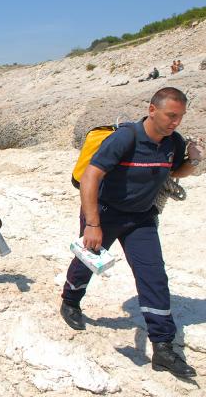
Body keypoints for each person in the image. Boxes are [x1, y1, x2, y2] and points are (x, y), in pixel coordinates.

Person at [60, 87, 204, 378]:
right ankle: (70, 301)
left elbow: (176, 172)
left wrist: (194, 160)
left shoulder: (173, 142)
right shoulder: (125, 138)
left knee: (153, 275)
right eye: (170, 115)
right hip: (105, 213)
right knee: (87, 263)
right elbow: (91, 176)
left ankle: (162, 347)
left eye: (180, 117)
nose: (175, 122)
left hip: (142, 218)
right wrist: (92, 224)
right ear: (152, 110)